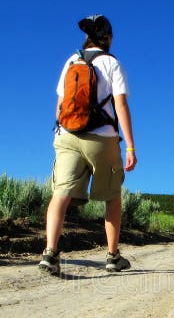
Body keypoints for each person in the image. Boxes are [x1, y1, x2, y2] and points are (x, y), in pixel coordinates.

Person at [38, 14, 137, 276]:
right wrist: (130, 146)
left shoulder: (71, 61)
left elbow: (61, 104)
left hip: (67, 135)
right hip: (102, 138)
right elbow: (121, 105)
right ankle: (113, 256)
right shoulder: (112, 64)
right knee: (112, 196)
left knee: (61, 194)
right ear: (108, 38)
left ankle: (50, 252)